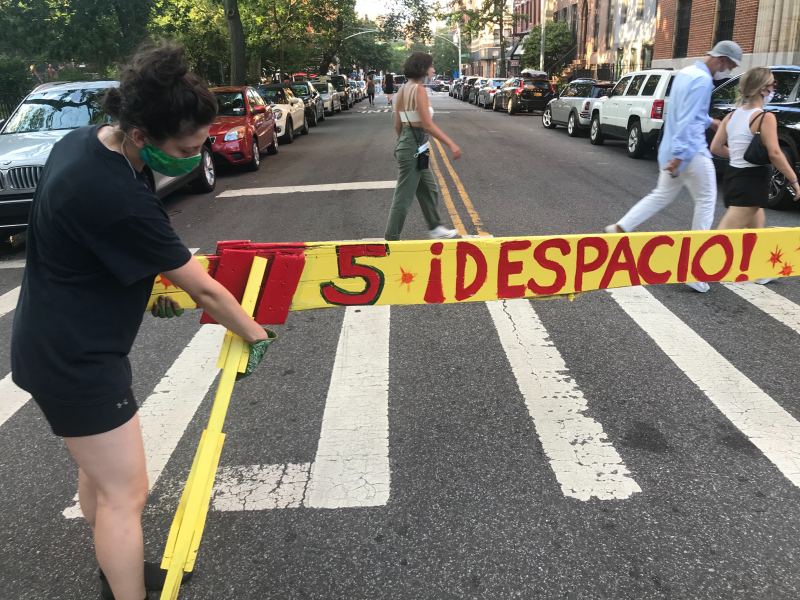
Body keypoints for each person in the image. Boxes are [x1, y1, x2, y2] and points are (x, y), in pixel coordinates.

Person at [10, 43, 273, 600]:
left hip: (58, 341)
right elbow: (200, 285)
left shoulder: (83, 145)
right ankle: (123, 585)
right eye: (187, 146)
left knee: (100, 480)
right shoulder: (116, 195)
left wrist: (139, 281)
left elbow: (88, 246)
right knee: (126, 493)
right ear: (139, 135)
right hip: (77, 360)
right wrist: (254, 332)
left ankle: (116, 566)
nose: (196, 153)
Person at [605, 40, 743, 293]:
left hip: (673, 150)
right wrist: (680, 155)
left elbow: (683, 113)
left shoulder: (686, 73)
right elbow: (688, 120)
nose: (730, 71)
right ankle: (694, 269)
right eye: (731, 65)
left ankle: (621, 227)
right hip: (690, 152)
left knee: (660, 195)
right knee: (706, 201)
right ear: (722, 59)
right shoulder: (702, 81)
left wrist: (712, 122)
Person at [710, 67, 800, 233]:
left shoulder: (731, 116)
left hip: (733, 177)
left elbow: (715, 147)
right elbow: (775, 153)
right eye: (774, 84)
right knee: (722, 236)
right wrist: (793, 179)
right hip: (751, 182)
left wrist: (738, 155)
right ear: (763, 89)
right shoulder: (765, 118)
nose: (774, 88)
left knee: (756, 233)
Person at [384, 52, 461, 241]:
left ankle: (435, 227)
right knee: (404, 195)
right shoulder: (418, 90)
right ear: (423, 68)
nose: (433, 70)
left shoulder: (402, 90)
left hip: (412, 143)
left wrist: (405, 143)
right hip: (414, 145)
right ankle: (391, 238)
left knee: (429, 188)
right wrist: (451, 144)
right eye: (431, 66)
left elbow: (397, 125)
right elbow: (427, 124)